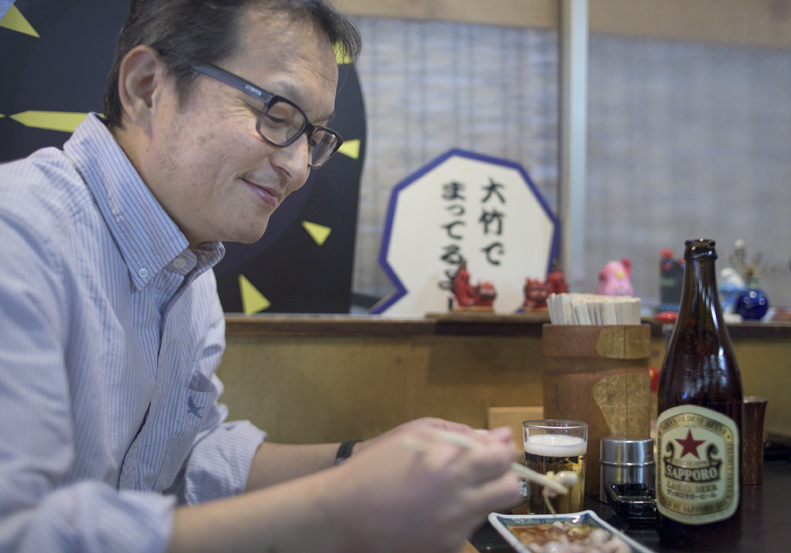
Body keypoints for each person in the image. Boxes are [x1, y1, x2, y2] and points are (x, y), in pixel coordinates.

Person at [0, 1, 522, 552]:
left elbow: (184, 462)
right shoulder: (20, 234)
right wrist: (335, 512)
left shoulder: (189, 268)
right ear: (148, 85)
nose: (297, 169)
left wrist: (356, 460)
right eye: (277, 116)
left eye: (314, 137)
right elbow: (17, 533)